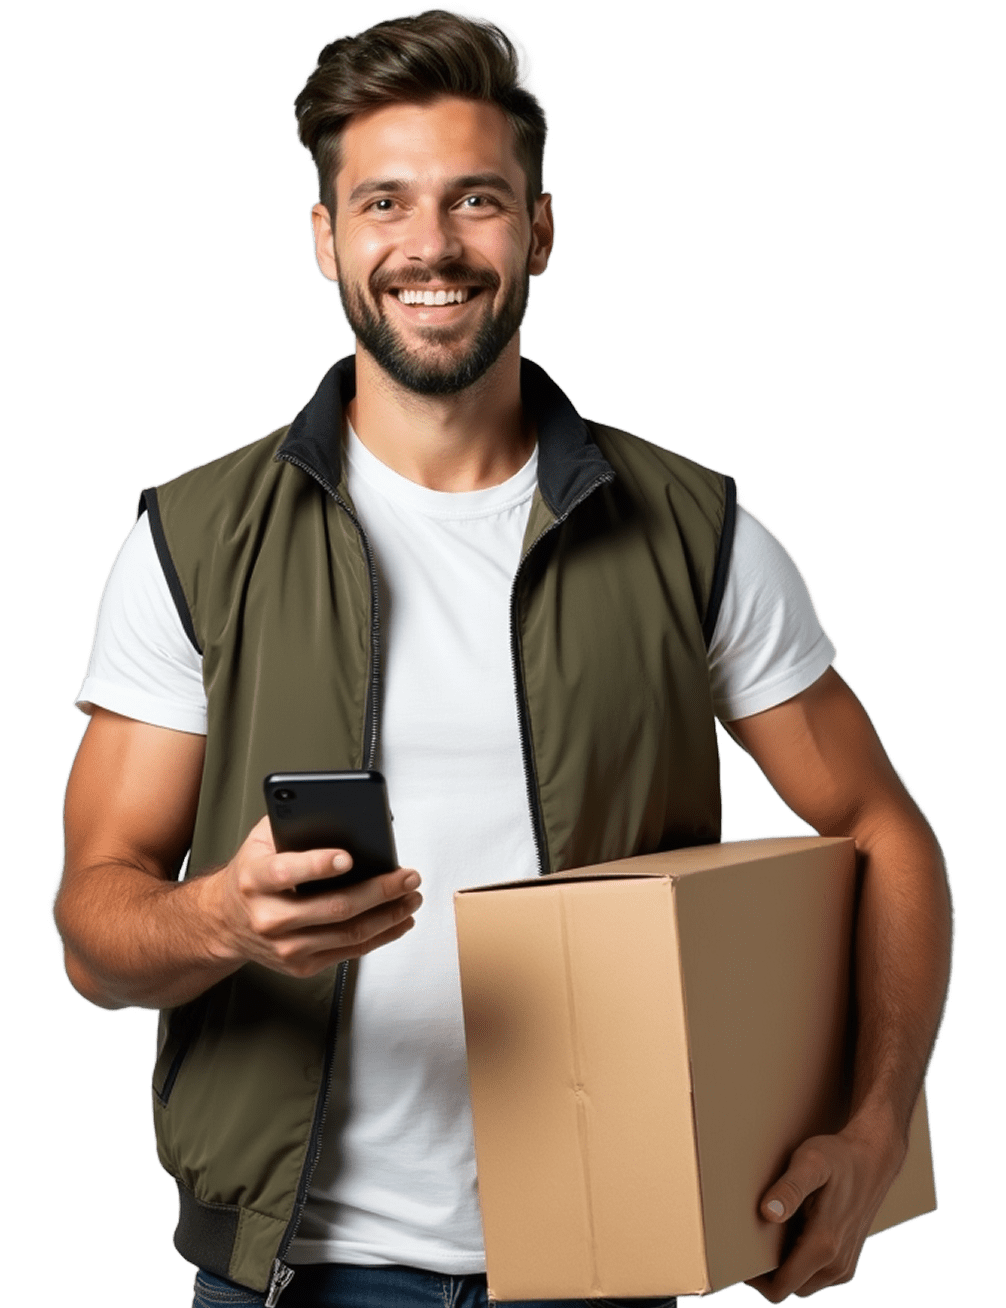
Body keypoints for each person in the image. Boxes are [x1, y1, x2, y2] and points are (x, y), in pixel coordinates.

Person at [52, 9, 953, 1307]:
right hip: (302, 1274)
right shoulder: (193, 542)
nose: (429, 246)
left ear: (537, 229)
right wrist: (219, 919)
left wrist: (877, 1123)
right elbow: (94, 926)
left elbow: (885, 830)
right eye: (382, 204)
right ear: (325, 240)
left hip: (631, 1249)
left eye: (475, 201)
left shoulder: (692, 528)